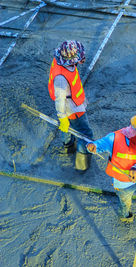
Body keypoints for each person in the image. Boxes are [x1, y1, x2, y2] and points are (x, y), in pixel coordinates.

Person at [48, 40, 94, 172]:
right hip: (73, 109)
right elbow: (60, 100)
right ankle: (82, 164)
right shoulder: (61, 79)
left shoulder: (59, 60)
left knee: (67, 128)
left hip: (70, 104)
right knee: (85, 134)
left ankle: (68, 146)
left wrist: (64, 119)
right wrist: (62, 117)